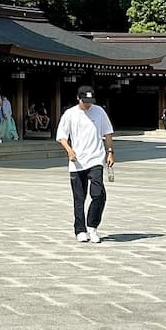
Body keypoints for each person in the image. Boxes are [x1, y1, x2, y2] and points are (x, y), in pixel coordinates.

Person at [56, 85, 115, 243]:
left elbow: (108, 132)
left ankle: (92, 226)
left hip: (96, 158)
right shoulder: (70, 114)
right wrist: (69, 150)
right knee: (79, 198)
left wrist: (110, 152)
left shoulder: (99, 111)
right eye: (85, 101)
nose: (88, 105)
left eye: (90, 101)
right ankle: (80, 230)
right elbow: (61, 136)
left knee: (98, 194)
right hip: (77, 161)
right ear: (78, 99)